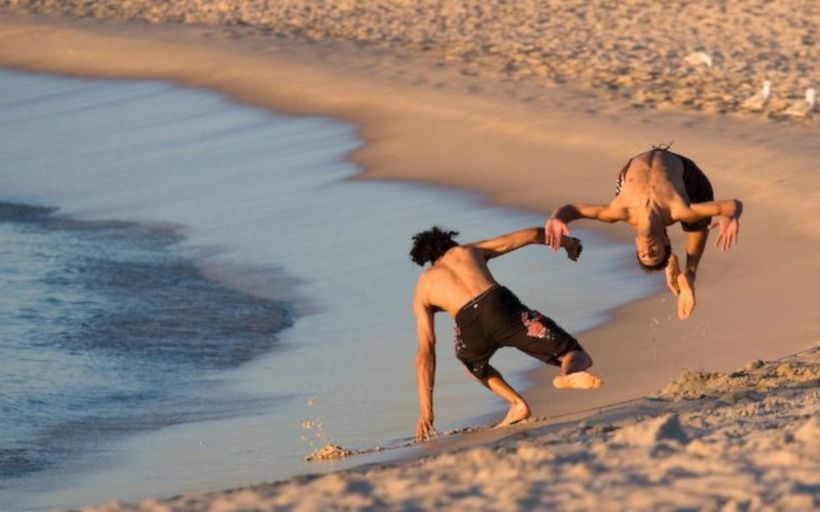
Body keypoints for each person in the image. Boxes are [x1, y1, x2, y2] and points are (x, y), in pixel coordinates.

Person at [410, 226, 602, 442]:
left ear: (428, 259)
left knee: (471, 364)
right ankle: (567, 375)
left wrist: (426, 411)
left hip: (468, 325)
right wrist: (569, 243)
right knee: (572, 353)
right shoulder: (468, 251)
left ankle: (516, 404)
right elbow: (531, 235)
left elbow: (425, 353)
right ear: (450, 243)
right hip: (499, 307)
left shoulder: (424, 284)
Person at [545, 146, 743, 320]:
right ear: (666, 239)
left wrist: (557, 218)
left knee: (657, 218)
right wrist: (730, 217)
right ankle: (690, 272)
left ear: (637, 244)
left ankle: (677, 266)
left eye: (643, 255)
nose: (647, 252)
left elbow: (572, 210)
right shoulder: (677, 209)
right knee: (697, 222)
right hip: (686, 175)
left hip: (632, 173)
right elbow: (732, 205)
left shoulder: (617, 211)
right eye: (654, 253)